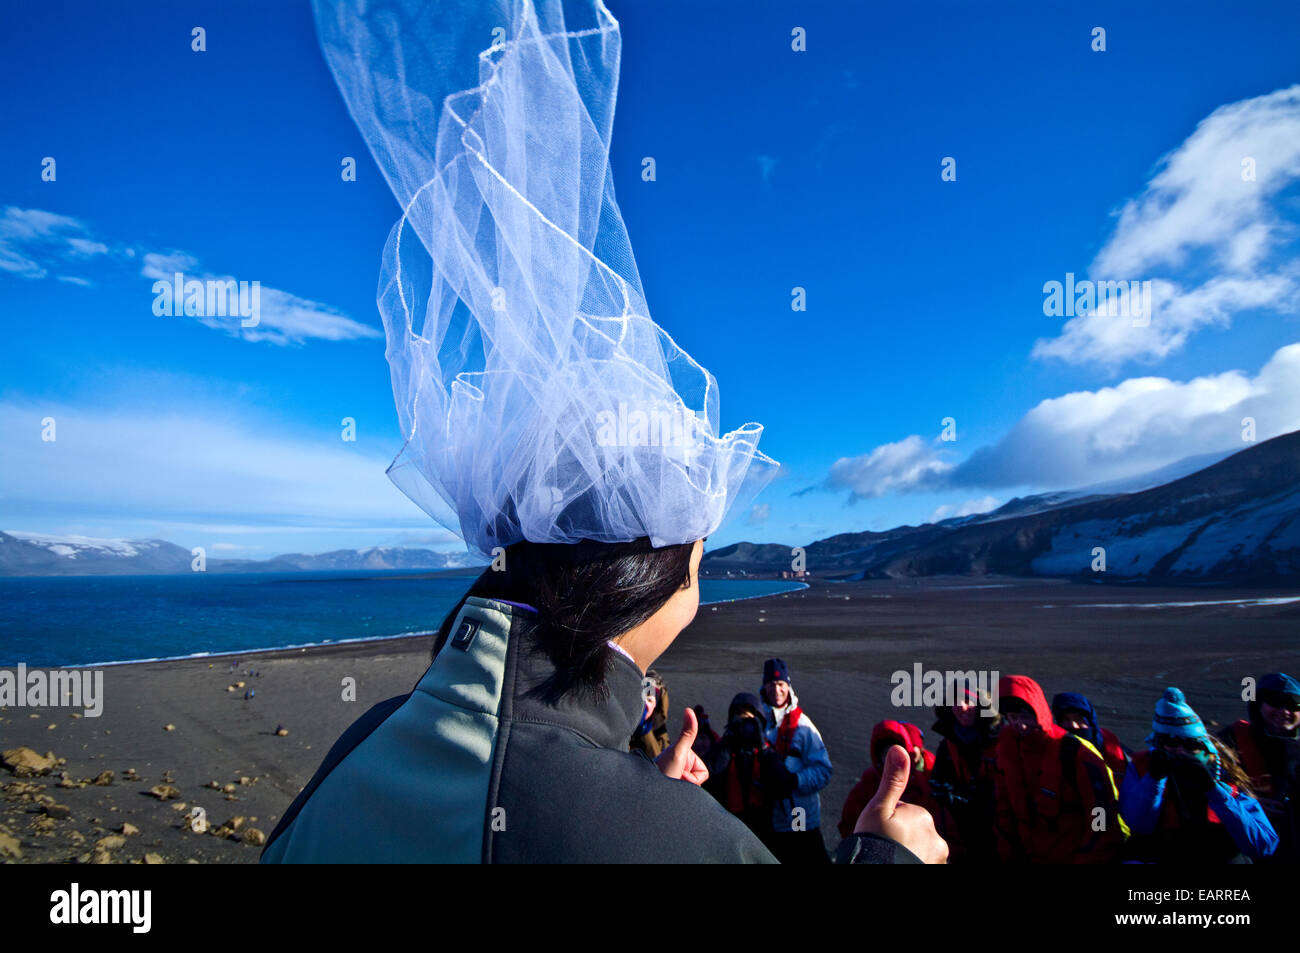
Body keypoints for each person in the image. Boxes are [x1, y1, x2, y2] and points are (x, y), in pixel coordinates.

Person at [262, 538, 944, 863]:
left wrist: (626, 790)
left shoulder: (369, 736)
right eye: (698, 562)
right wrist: (885, 859)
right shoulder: (681, 840)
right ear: (646, 585)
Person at [1121, 687, 1278, 864]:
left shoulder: (1224, 770)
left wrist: (1213, 789)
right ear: (1159, 743)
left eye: (1190, 744)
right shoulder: (1143, 767)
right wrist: (1154, 780)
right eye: (1170, 742)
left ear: (1203, 745)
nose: (1180, 750)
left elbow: (1263, 845)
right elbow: (1139, 825)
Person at [994, 675, 1127, 863]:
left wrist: (1088, 859)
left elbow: (1101, 818)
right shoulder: (1007, 751)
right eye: (1014, 718)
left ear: (1038, 712)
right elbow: (1003, 809)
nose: (1020, 725)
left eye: (1026, 717)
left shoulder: (1077, 754)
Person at [1217, 672, 1299, 862]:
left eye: (1293, 705)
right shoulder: (1234, 740)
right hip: (1248, 839)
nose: (1284, 711)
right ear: (1259, 704)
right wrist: (1248, 804)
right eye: (1276, 702)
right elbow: (1210, 783)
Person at [759, 658, 834, 863]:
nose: (777, 690)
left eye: (781, 684)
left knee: (805, 854)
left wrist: (795, 780)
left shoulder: (803, 726)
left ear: (788, 686)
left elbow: (824, 770)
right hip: (768, 816)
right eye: (772, 685)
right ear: (764, 686)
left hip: (800, 815)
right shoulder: (756, 721)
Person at [704, 692, 790, 840]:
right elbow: (709, 777)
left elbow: (783, 786)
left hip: (762, 827)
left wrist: (762, 746)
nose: (745, 727)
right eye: (739, 720)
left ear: (759, 722)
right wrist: (728, 741)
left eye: (749, 721)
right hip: (728, 825)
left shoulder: (767, 751)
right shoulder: (724, 749)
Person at [928, 687, 1000, 864]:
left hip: (999, 833)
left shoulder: (1001, 741)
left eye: (968, 701)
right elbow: (938, 780)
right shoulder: (948, 745)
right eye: (955, 702)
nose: (961, 707)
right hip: (962, 834)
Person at [838, 720, 935, 839]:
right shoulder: (870, 781)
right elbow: (849, 821)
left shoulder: (927, 780)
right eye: (886, 754)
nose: (892, 760)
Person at [1052, 691, 1130, 788]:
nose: (1073, 725)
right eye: (1066, 719)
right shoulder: (1053, 749)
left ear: (1090, 721)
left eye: (1079, 719)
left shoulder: (1110, 745)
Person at [629, 669, 670, 758]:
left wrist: (645, 731)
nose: (645, 704)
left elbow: (659, 763)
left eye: (649, 700)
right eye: (642, 700)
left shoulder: (659, 731)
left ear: (655, 704)